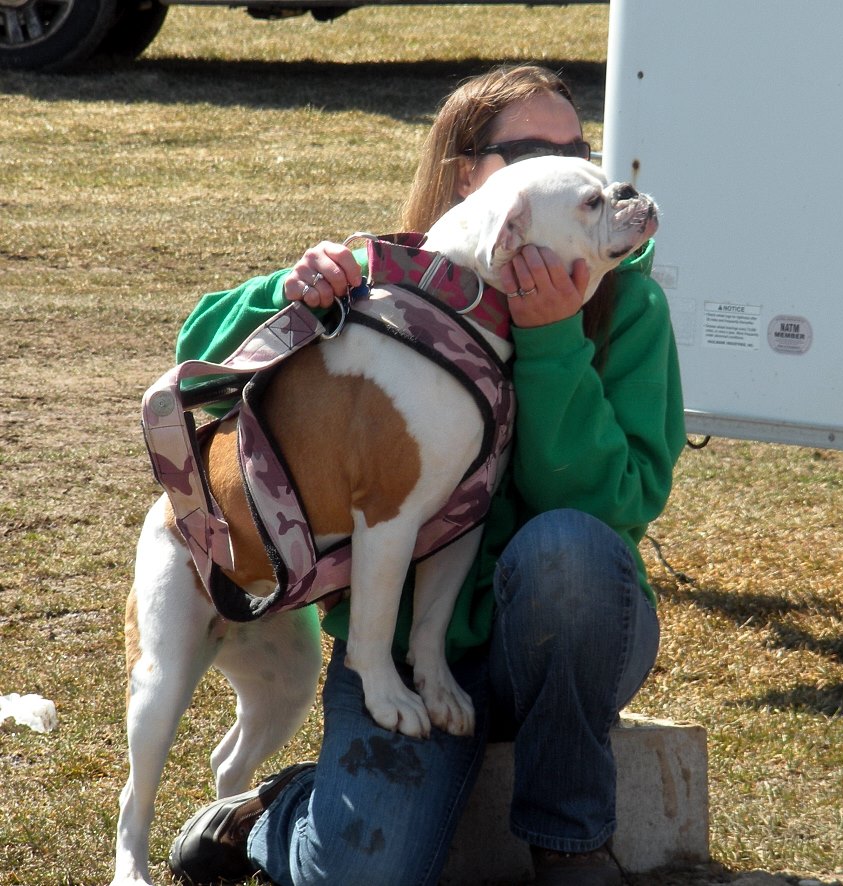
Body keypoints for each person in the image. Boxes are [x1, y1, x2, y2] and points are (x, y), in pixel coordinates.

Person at [168, 64, 686, 886]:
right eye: (535, 152)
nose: (579, 169)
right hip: (408, 652)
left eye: (581, 147)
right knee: (361, 874)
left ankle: (572, 844)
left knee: (566, 553)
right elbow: (197, 357)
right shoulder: (388, 283)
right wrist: (291, 288)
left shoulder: (629, 305)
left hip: (564, 640)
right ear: (472, 179)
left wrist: (551, 342)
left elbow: (611, 507)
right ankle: (284, 807)